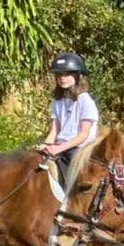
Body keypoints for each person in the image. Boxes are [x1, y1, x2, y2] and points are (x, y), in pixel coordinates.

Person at [38, 52, 99, 188]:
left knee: (74, 178)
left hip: (80, 148)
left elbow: (83, 135)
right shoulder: (57, 100)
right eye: (59, 75)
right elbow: (55, 128)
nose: (62, 78)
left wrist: (59, 148)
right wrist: (47, 145)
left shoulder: (85, 101)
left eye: (67, 74)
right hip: (61, 145)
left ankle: (69, 200)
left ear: (78, 76)